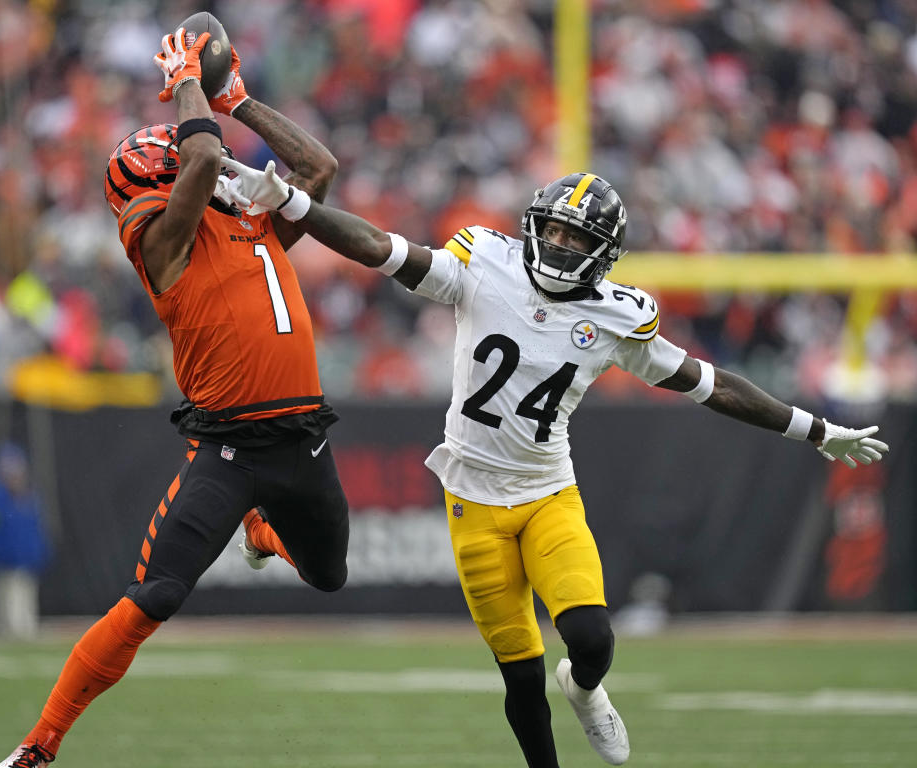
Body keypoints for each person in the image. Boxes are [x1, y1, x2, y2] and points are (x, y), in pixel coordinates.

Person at [218, 165, 890, 767]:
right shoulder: (485, 264)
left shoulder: (619, 316)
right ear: (534, 227)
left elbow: (712, 385)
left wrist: (816, 430)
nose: (563, 248)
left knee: (592, 638)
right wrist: (294, 205)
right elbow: (380, 249)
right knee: (520, 676)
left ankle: (587, 687)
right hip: (473, 501)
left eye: (579, 240)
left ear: (604, 254)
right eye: (556, 232)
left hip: (546, 493)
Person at [0, 28, 348, 768]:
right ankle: (40, 743)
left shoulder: (249, 222)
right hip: (229, 449)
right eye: (185, 166)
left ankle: (263, 530)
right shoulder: (166, 246)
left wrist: (238, 100)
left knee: (329, 575)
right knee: (154, 595)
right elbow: (200, 155)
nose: (215, 173)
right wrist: (189, 78)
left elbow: (318, 167)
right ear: (157, 183)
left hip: (304, 440)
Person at [0, 442, 53, 639]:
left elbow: (37, 530)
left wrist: (39, 554)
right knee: (8, 603)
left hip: (26, 563)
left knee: (25, 603)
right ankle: (11, 635)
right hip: (5, 563)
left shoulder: (30, 496)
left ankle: (24, 634)